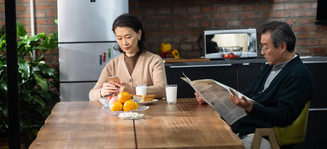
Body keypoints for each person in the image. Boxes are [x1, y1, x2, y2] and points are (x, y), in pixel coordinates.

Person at [195, 21, 314, 149]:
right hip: (247, 131)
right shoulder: (271, 66)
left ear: (282, 47)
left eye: (265, 47)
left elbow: (283, 116)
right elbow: (248, 94)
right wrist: (212, 98)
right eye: (261, 46)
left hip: (266, 137)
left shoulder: (298, 75)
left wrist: (251, 107)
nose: (262, 52)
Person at [89, 13, 167, 101]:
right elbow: (92, 95)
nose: (124, 42)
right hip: (121, 113)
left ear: (139, 34)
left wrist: (134, 90)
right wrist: (102, 92)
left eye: (128, 37)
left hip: (150, 112)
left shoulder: (154, 60)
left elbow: (162, 90)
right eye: (119, 38)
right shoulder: (111, 65)